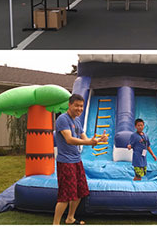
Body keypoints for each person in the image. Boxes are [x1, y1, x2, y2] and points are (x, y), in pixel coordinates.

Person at [53, 94, 108, 225]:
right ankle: (55, 223)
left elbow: (85, 138)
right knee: (65, 196)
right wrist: (90, 143)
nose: (80, 108)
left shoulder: (77, 120)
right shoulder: (63, 119)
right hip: (66, 162)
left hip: (76, 160)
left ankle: (70, 218)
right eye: (77, 105)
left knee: (80, 191)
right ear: (69, 105)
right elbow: (69, 139)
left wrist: (99, 140)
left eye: (81, 106)